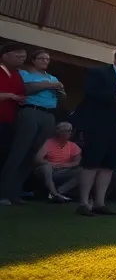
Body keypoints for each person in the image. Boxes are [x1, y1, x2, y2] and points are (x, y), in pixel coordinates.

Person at [69, 46, 116, 217]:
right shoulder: (99, 73)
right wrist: (114, 96)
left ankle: (100, 203)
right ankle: (84, 203)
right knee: (92, 162)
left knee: (109, 165)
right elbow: (90, 93)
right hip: (99, 124)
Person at [1, 48, 65, 204]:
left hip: (48, 114)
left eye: (48, 59)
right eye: (42, 59)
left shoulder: (52, 77)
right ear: (34, 60)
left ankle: (15, 193)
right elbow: (26, 89)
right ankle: (3, 193)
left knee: (31, 156)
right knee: (19, 152)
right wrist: (48, 85)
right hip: (31, 111)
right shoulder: (25, 74)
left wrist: (57, 88)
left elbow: (63, 95)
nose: (45, 62)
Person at [34, 122, 81, 203]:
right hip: (47, 170)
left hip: (62, 170)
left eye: (71, 131)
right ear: (60, 132)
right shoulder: (48, 142)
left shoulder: (72, 146)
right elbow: (38, 159)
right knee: (46, 166)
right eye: (68, 131)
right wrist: (52, 164)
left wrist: (63, 166)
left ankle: (59, 192)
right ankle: (53, 192)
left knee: (83, 172)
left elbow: (77, 162)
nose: (70, 133)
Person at [0, 44, 28, 179]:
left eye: (23, 57)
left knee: (3, 153)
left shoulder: (17, 75)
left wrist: (19, 99)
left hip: (8, 121)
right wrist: (11, 96)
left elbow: (20, 94)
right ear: (5, 55)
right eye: (18, 56)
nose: (21, 59)